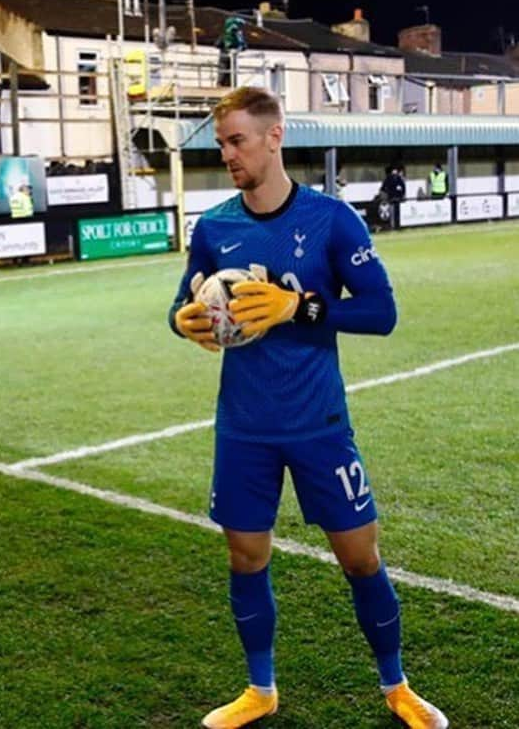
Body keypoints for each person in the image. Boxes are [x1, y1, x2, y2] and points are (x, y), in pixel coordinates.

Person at [168, 86, 448, 729]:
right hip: (243, 427)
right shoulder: (214, 230)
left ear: (274, 137)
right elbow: (181, 309)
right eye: (222, 144)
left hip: (318, 422)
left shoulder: (330, 220)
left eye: (238, 140)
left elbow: (382, 312)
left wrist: (300, 306)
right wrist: (186, 323)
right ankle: (260, 689)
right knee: (245, 555)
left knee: (359, 557)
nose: (229, 154)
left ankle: (396, 685)